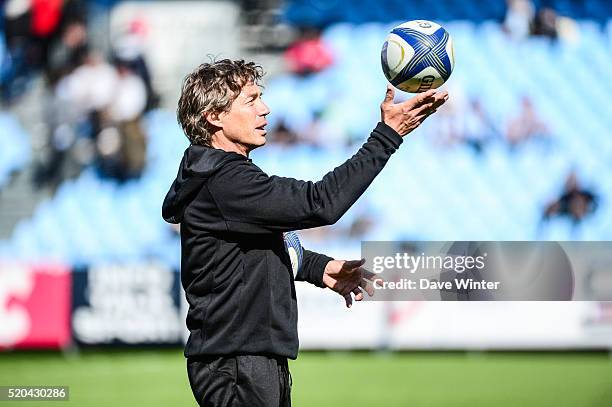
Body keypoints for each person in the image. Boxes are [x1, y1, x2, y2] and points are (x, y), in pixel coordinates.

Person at [162, 59, 448, 407]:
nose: (265, 109)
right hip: (237, 362)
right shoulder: (225, 181)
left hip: (247, 359)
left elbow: (253, 250)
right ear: (214, 116)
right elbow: (320, 204)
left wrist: (316, 267)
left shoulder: (222, 178)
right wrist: (387, 136)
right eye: (251, 100)